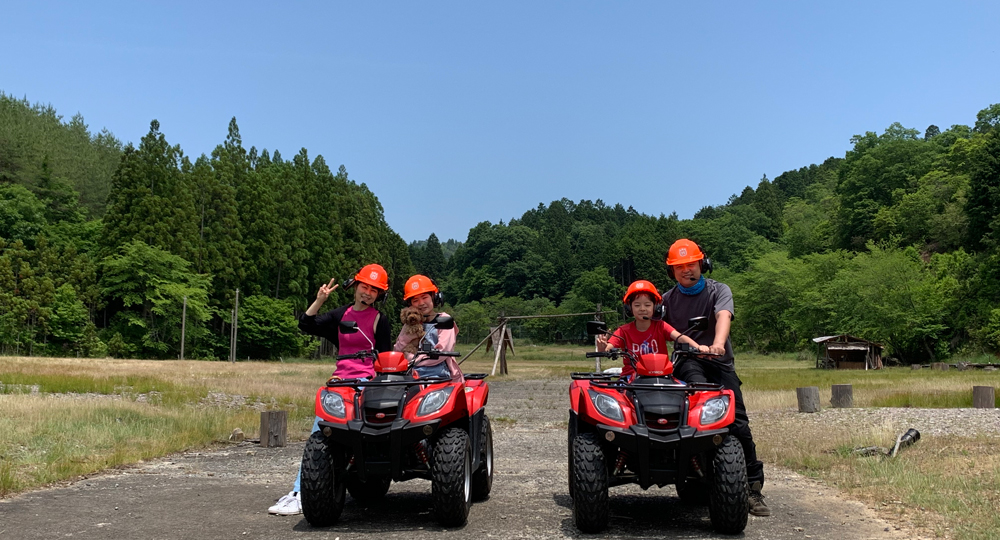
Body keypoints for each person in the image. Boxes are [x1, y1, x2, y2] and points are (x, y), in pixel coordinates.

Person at [267, 263, 392, 516]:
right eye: (364, 287)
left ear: (380, 295)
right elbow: (307, 324)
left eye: (374, 290)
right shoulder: (340, 315)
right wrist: (319, 300)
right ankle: (301, 492)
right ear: (354, 286)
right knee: (321, 428)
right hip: (340, 381)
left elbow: (386, 358)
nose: (367, 293)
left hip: (367, 382)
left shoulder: (380, 319)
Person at [660, 239, 769, 517]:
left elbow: (723, 316)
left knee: (738, 422)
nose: (687, 271)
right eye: (680, 267)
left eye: (691, 264)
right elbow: (648, 322)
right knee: (690, 417)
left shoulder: (719, 290)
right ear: (671, 272)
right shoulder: (667, 300)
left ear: (703, 264)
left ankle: (752, 488)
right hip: (688, 363)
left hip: (720, 362)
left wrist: (718, 343)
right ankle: (696, 476)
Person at [595, 279, 707, 379]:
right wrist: (603, 347)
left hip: (662, 375)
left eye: (647, 305)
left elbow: (680, 337)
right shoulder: (623, 331)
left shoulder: (661, 326)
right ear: (629, 308)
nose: (642, 309)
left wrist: (698, 347)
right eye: (637, 305)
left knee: (685, 394)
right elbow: (609, 347)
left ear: (656, 307)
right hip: (631, 377)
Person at [394, 274, 462, 381]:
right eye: (415, 300)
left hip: (438, 373)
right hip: (411, 373)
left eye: (424, 297)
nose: (421, 303)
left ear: (434, 297)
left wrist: (412, 358)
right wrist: (408, 336)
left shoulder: (444, 320)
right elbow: (398, 350)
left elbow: (442, 351)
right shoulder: (410, 324)